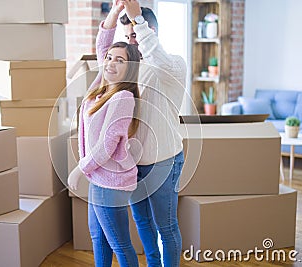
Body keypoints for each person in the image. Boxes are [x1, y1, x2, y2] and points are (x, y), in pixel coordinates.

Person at [93, 1, 187, 266]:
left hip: (163, 161)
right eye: (127, 38)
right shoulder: (125, 71)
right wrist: (114, 13)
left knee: (166, 226)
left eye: (135, 36)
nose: (131, 43)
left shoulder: (171, 66)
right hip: (132, 164)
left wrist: (137, 19)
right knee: (143, 221)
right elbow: (104, 51)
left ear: (152, 31)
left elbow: (156, 56)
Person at [67, 41, 141, 267]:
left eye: (120, 60)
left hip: (111, 182)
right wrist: (115, 11)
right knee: (99, 239)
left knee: (119, 243)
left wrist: (79, 171)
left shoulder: (123, 97)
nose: (110, 63)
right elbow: (102, 43)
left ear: (130, 68)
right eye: (109, 58)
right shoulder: (102, 89)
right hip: (98, 177)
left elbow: (107, 145)